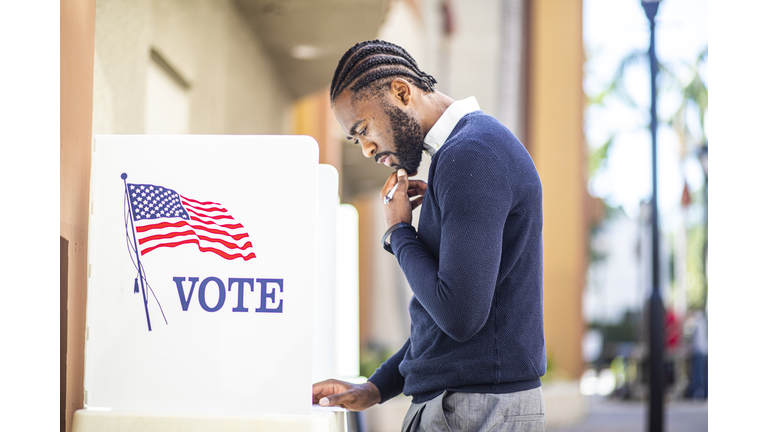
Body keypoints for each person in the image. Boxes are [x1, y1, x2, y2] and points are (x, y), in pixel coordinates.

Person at [312, 40, 547, 432]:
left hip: (472, 410)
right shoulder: (465, 153)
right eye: (356, 140)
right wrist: (375, 388)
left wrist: (399, 232)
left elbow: (459, 316)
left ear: (402, 92)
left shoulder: (469, 154)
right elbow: (444, 323)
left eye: (363, 129)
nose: (368, 149)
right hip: (472, 405)